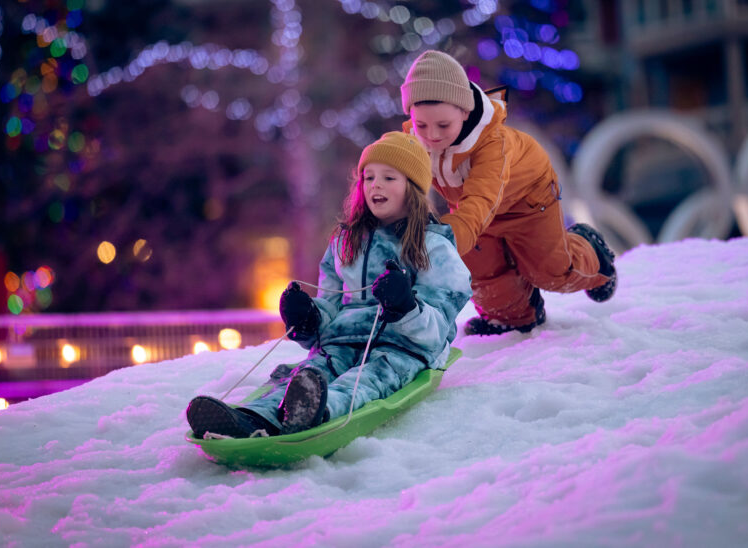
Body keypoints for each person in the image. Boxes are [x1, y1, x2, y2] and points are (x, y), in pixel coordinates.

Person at [186, 131, 472, 438]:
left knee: (366, 379)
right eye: (369, 177)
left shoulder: (434, 248)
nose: (375, 184)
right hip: (342, 342)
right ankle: (251, 418)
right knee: (312, 373)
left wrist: (405, 307)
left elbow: (438, 329)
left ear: (413, 189)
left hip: (401, 348)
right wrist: (308, 318)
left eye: (389, 178)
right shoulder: (346, 243)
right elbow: (330, 307)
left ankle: (317, 412)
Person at [399, 49, 617, 337]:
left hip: (526, 202)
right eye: (422, 124)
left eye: (443, 125)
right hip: (471, 212)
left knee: (549, 271)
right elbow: (402, 185)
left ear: (464, 112)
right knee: (482, 274)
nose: (432, 135)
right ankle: (514, 318)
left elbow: (482, 199)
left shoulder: (491, 144)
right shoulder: (414, 143)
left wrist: (444, 240)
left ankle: (590, 251)